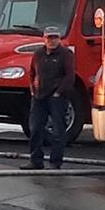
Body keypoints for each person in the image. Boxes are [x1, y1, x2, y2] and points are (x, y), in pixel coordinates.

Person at [24, 25, 76, 170]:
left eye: (55, 37)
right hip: (38, 97)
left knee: (58, 131)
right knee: (34, 129)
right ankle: (35, 161)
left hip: (57, 98)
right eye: (49, 37)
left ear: (59, 39)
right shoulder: (38, 54)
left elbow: (70, 77)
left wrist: (58, 92)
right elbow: (32, 73)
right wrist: (33, 90)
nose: (52, 41)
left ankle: (55, 163)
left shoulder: (66, 54)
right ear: (44, 39)